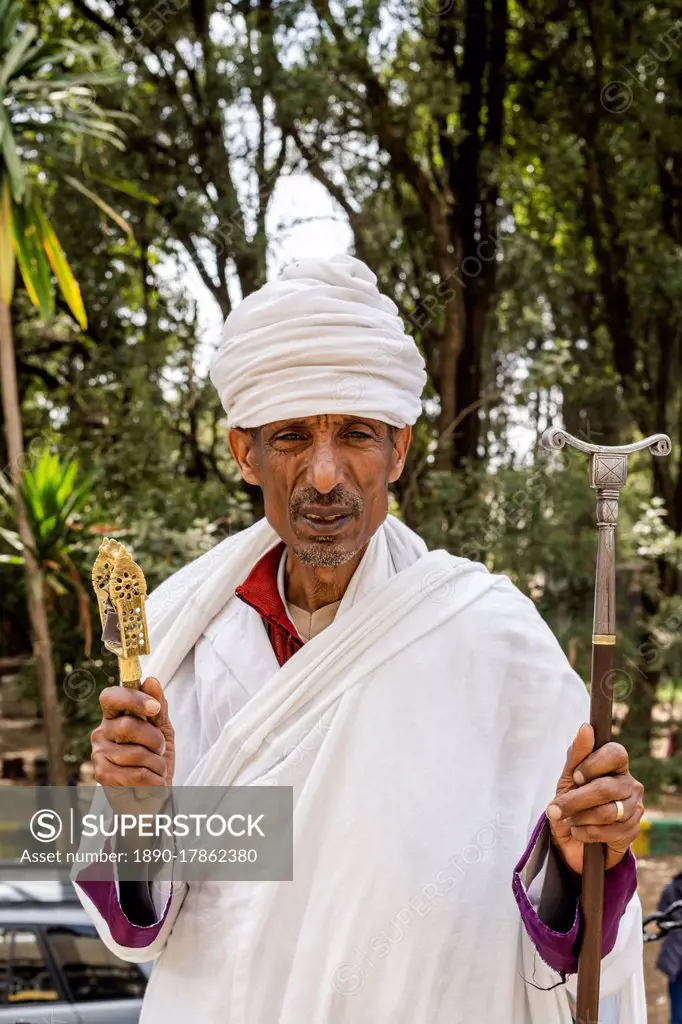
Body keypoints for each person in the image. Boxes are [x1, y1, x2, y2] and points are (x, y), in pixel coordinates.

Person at [74, 254, 646, 1023]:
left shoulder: (492, 637)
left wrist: (580, 858)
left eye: (355, 435)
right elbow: (146, 933)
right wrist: (140, 816)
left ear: (399, 450)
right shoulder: (186, 638)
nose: (322, 475)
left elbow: (572, 931)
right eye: (289, 438)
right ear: (245, 453)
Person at [657, 871, 682, 1023]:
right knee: (678, 1014)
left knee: (678, 1013)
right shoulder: (671, 889)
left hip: (674, 956)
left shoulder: (670, 888)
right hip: (675, 959)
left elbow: (662, 915)